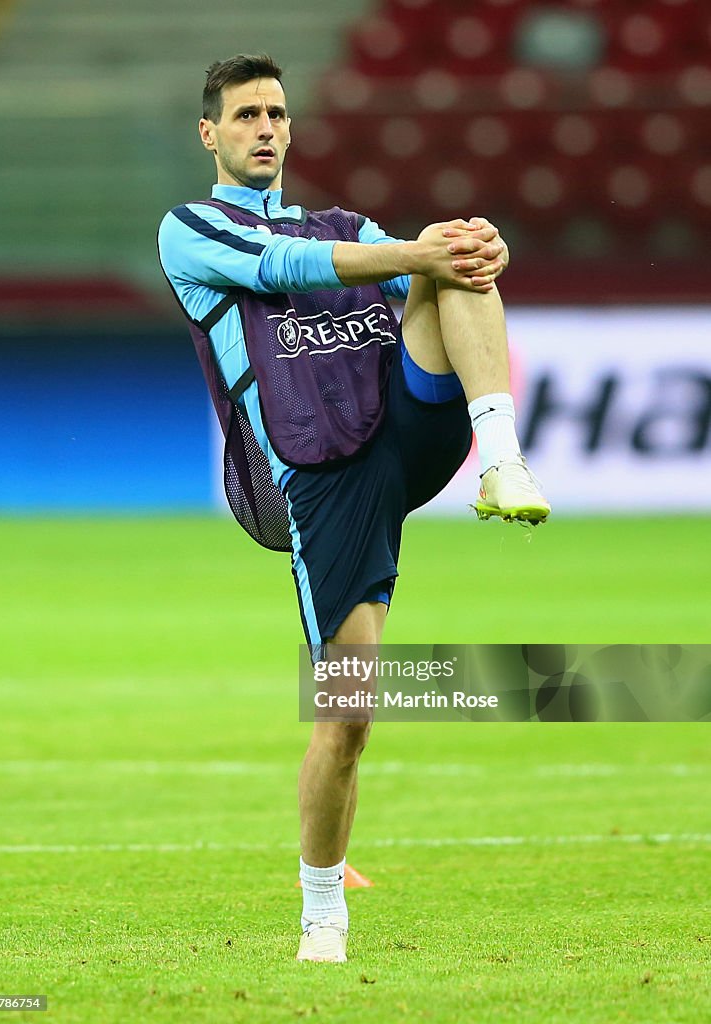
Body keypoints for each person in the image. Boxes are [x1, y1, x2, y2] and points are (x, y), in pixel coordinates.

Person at [157, 53, 550, 964]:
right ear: (209, 133)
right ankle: (322, 903)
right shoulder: (190, 229)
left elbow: (397, 267)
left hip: (399, 432)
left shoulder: (346, 222)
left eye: (277, 114)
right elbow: (294, 262)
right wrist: (417, 249)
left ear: (292, 129)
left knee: (455, 254)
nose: (264, 127)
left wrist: (467, 248)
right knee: (351, 708)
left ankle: (503, 462)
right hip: (314, 475)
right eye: (246, 114)